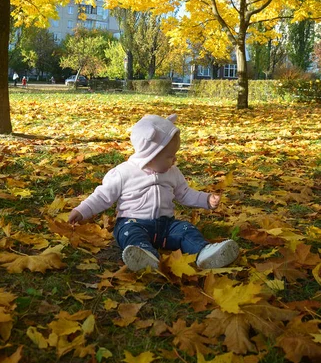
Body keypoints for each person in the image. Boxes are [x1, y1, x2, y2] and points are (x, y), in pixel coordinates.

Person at [68, 113, 239, 272]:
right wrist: (82, 211)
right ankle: (144, 255)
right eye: (170, 156)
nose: (175, 160)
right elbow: (102, 196)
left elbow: (184, 193)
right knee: (129, 234)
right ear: (150, 155)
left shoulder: (172, 172)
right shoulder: (123, 173)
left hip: (166, 225)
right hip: (132, 222)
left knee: (187, 229)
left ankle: (204, 252)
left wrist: (206, 199)